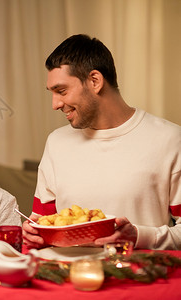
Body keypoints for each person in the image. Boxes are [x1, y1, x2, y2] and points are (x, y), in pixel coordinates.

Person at [23, 34, 181, 250]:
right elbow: (41, 224)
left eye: (61, 91)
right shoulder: (56, 143)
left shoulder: (170, 139)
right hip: (69, 278)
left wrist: (138, 236)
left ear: (95, 81)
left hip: (141, 278)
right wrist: (32, 233)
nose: (55, 104)